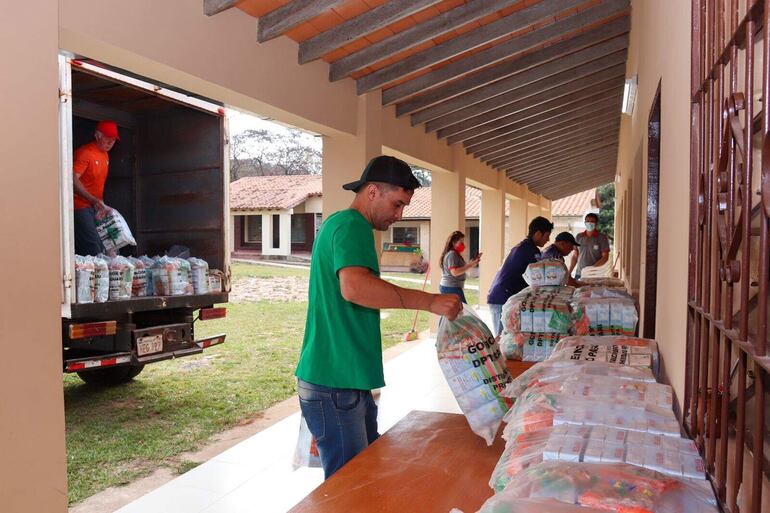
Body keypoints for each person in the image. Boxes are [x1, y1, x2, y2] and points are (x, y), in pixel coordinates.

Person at [294, 155, 463, 479]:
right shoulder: (351, 225)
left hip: (343, 376)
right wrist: (428, 301)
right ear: (372, 192)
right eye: (397, 204)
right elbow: (355, 288)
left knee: (364, 475)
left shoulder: (341, 224)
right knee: (351, 487)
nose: (399, 216)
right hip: (335, 380)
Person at [486, 216, 554, 337]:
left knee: (507, 337)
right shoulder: (530, 250)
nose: (548, 239)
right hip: (502, 297)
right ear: (538, 233)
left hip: (503, 295)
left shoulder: (524, 246)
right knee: (503, 339)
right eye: (547, 235)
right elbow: (538, 278)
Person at [73, 120, 120, 255]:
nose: (110, 142)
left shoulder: (105, 154)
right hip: (80, 205)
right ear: (97, 135)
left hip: (96, 206)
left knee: (108, 243)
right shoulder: (85, 153)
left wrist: (100, 203)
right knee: (93, 245)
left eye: (113, 139)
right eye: (107, 138)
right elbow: (72, 179)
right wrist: (92, 199)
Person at [438, 231, 481, 304]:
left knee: (454, 311)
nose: (463, 244)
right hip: (451, 287)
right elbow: (454, 272)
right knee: (463, 310)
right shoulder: (452, 254)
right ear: (453, 243)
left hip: (453, 287)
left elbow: (460, 269)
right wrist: (469, 265)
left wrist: (471, 263)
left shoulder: (455, 254)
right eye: (461, 242)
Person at [570, 212, 610, 279]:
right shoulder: (579, 236)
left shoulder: (602, 238)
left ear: (596, 224)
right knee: (577, 289)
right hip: (579, 273)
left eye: (592, 221)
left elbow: (605, 257)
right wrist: (569, 272)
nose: (589, 223)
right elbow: (575, 255)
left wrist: (592, 269)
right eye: (588, 221)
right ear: (585, 222)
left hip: (594, 275)